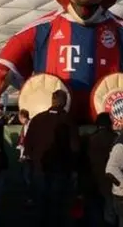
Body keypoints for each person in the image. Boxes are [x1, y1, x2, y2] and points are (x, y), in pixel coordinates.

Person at [24, 90, 79, 227]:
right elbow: (75, 148)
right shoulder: (68, 120)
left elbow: (28, 145)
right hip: (60, 171)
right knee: (57, 207)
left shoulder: (37, 119)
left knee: (40, 206)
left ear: (52, 100)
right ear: (65, 102)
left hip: (39, 169)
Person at [87, 112, 118, 226]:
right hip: (111, 178)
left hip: (94, 177)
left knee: (96, 208)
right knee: (110, 208)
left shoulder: (91, 138)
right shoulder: (115, 138)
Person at [15, 109, 32, 205]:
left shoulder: (28, 126)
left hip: (27, 156)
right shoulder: (25, 126)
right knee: (25, 176)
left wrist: (23, 155)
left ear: (22, 117)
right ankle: (27, 196)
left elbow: (26, 141)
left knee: (27, 177)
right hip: (25, 155)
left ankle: (29, 197)